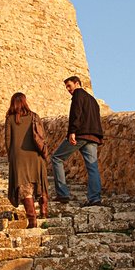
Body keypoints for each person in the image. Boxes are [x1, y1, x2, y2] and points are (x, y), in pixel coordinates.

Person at [51, 76, 103, 206]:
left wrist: (72, 132)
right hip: (93, 136)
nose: (68, 89)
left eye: (69, 86)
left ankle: (62, 194)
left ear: (77, 83)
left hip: (80, 134)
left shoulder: (78, 94)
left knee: (57, 158)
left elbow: (76, 113)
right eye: (67, 87)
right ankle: (95, 198)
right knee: (92, 167)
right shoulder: (92, 100)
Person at [5, 92, 50, 229]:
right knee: (39, 182)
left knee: (25, 188)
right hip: (35, 156)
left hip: (19, 157)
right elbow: (42, 136)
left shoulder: (10, 119)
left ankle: (32, 220)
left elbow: (8, 140)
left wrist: (11, 156)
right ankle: (43, 210)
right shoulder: (34, 117)